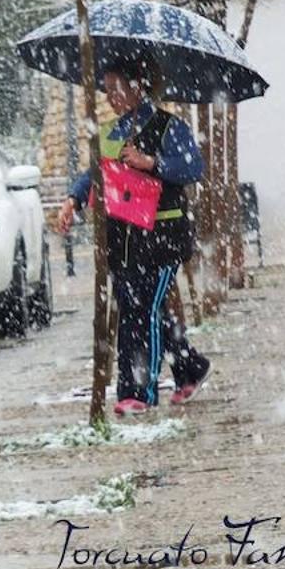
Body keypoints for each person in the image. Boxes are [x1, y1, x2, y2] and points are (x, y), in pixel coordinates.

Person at [56, 56, 211, 415]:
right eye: (106, 90)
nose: (110, 97)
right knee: (138, 309)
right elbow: (95, 172)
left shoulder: (169, 126)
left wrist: (152, 163)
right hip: (123, 240)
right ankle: (190, 368)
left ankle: (138, 392)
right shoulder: (112, 132)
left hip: (163, 237)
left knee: (143, 311)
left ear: (138, 86)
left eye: (116, 89)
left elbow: (193, 167)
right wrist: (73, 199)